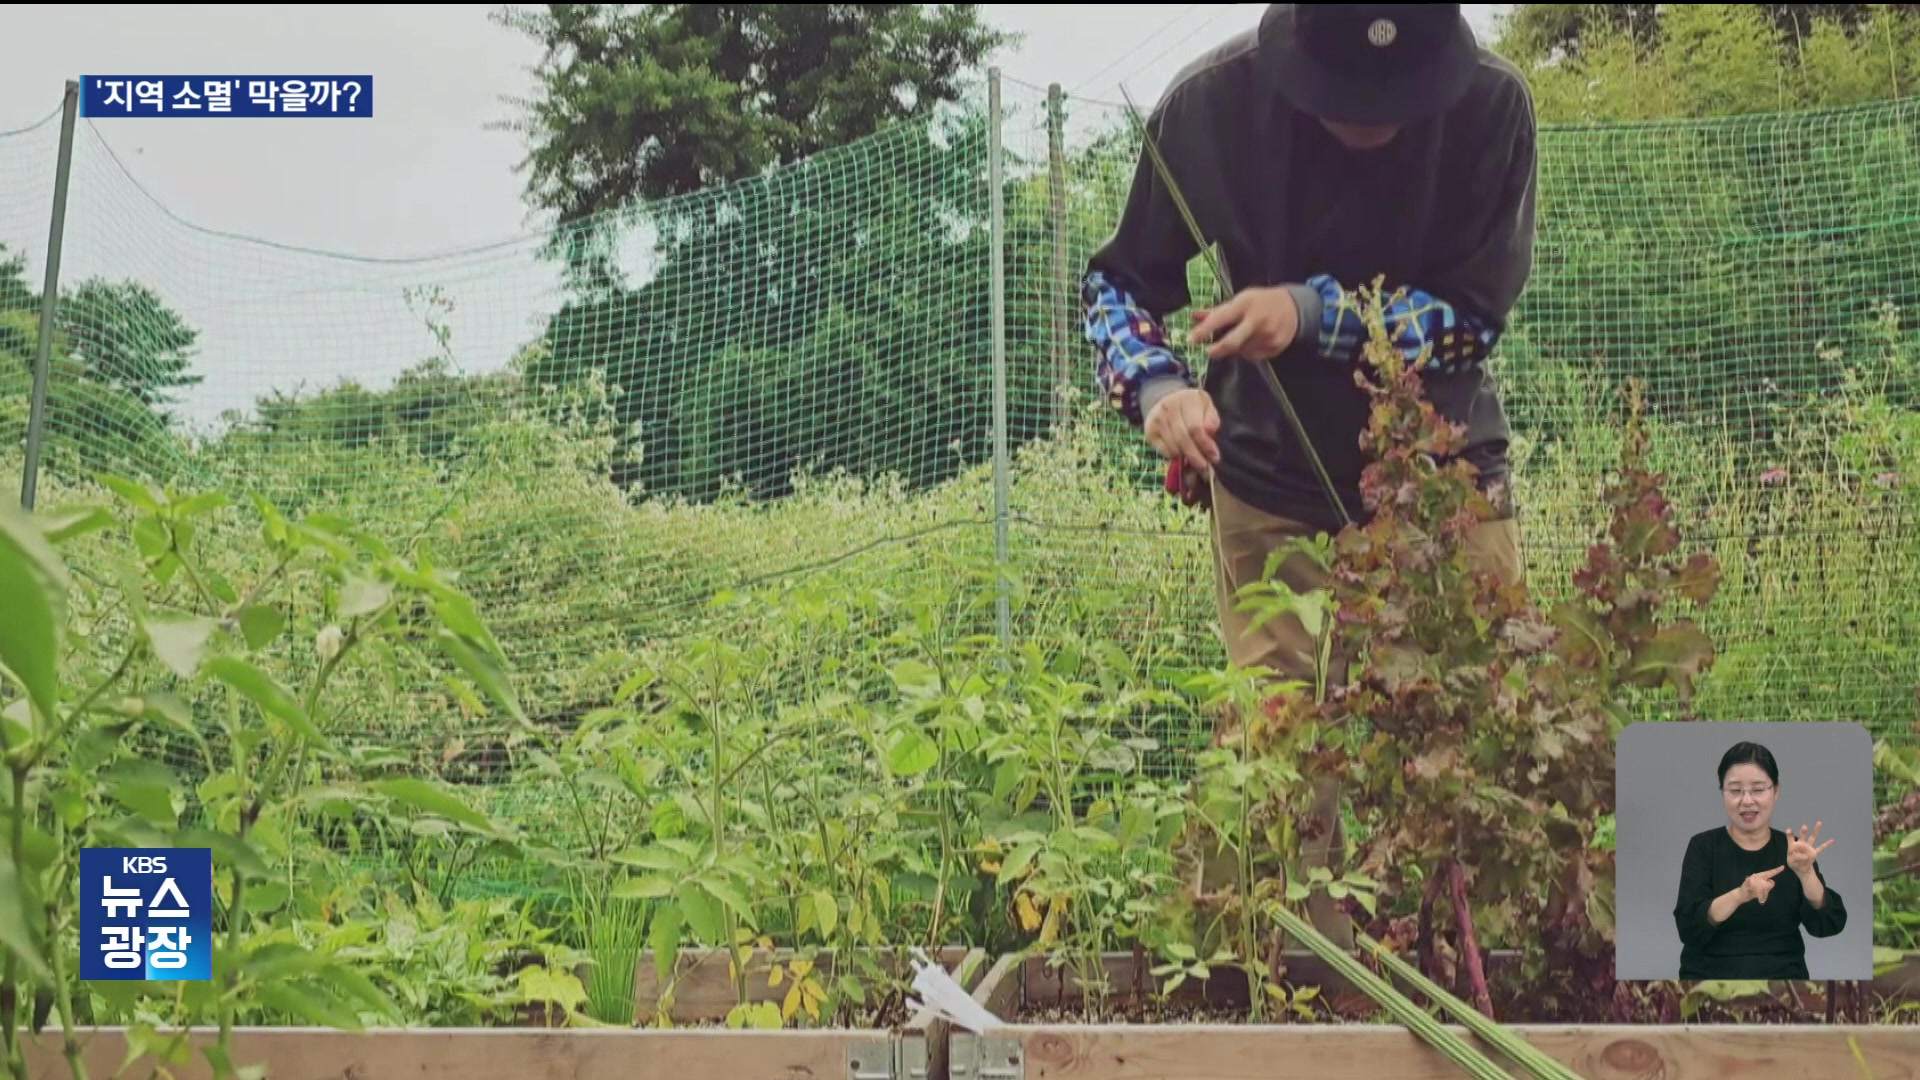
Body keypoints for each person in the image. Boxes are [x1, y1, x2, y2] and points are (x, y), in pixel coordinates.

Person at [1080, 3, 1538, 946]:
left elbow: (1473, 318)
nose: (1374, 121)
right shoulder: (1212, 106)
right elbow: (1119, 288)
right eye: (1348, 98)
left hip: (1444, 483)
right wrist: (1157, 386)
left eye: (1399, 97)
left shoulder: (1494, 109)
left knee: (1488, 732)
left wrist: (1310, 314)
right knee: (1276, 751)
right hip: (1269, 478)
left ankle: (1500, 961)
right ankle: (1258, 979)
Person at [1671, 742, 1846, 981]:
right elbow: (1688, 927)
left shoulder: (1794, 850)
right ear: (1722, 792)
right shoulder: (1703, 847)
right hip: (1710, 981)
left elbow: (1828, 924)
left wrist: (1807, 875)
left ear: (1776, 791)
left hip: (1784, 983)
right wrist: (1740, 895)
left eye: (1758, 789)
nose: (1747, 800)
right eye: (1735, 790)